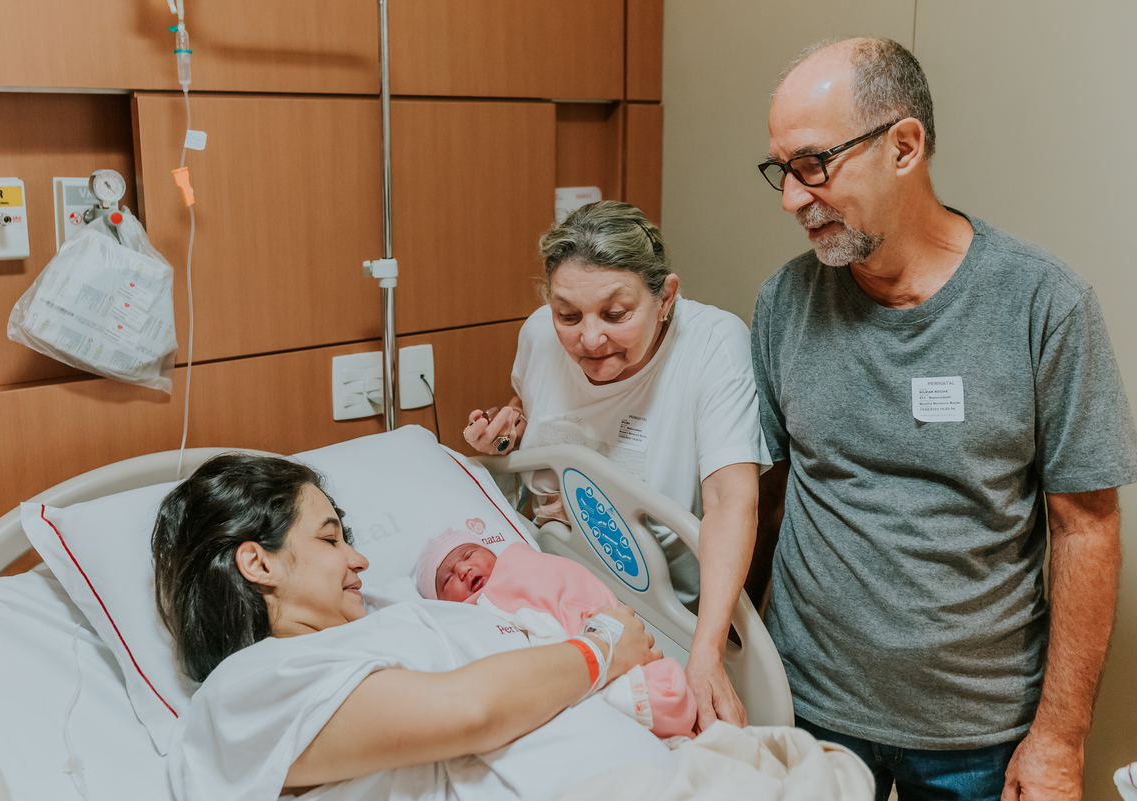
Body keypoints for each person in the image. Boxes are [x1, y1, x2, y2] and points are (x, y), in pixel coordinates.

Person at [750, 37, 1137, 801]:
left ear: (904, 146)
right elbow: (767, 496)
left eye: (812, 164)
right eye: (781, 172)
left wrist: (1059, 739)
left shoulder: (1043, 305)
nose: (793, 197)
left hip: (977, 731)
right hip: (806, 707)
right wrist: (723, 651)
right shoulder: (783, 303)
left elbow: (1087, 528)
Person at [151, 453, 671, 801]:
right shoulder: (246, 688)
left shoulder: (392, 615)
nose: (359, 560)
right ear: (258, 564)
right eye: (330, 540)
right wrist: (603, 648)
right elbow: (468, 711)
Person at [463, 200, 770, 731]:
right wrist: (505, 429)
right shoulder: (539, 334)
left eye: (616, 314)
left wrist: (707, 652)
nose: (589, 338)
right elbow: (529, 407)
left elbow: (730, 499)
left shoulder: (711, 345)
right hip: (549, 590)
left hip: (659, 613)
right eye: (568, 315)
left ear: (665, 297)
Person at [413, 528, 697, 739]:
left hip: (601, 635)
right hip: (566, 676)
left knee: (656, 696)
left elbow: (568, 586)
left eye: (468, 554)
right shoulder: (465, 622)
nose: (463, 569)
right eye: (447, 578)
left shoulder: (521, 565)